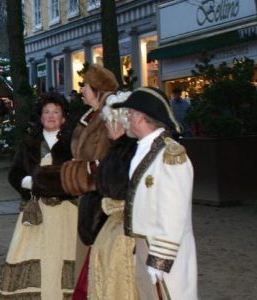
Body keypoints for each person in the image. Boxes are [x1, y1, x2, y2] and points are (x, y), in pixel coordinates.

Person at [111, 87, 197, 299]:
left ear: (141, 117)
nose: (127, 119)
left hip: (163, 250)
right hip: (143, 245)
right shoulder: (145, 148)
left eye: (129, 113)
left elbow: (174, 213)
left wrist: (160, 260)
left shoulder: (170, 155)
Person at [0, 93, 74, 299]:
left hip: (65, 211)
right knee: (29, 254)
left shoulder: (74, 142)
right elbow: (14, 173)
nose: (51, 116)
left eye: (56, 112)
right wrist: (27, 183)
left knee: (62, 257)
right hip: (35, 211)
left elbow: (77, 177)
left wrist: (46, 182)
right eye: (46, 112)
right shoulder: (30, 142)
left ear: (64, 117)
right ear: (40, 117)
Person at [59, 63, 119, 299]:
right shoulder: (89, 116)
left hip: (99, 198)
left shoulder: (108, 119)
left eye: (85, 85)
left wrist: (75, 173)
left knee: (92, 254)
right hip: (84, 195)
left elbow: (107, 162)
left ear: (97, 90)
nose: (81, 89)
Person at [86, 91, 139, 299]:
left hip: (123, 228)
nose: (107, 126)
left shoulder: (128, 151)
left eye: (108, 121)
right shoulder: (118, 149)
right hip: (112, 225)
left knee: (119, 280)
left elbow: (117, 187)